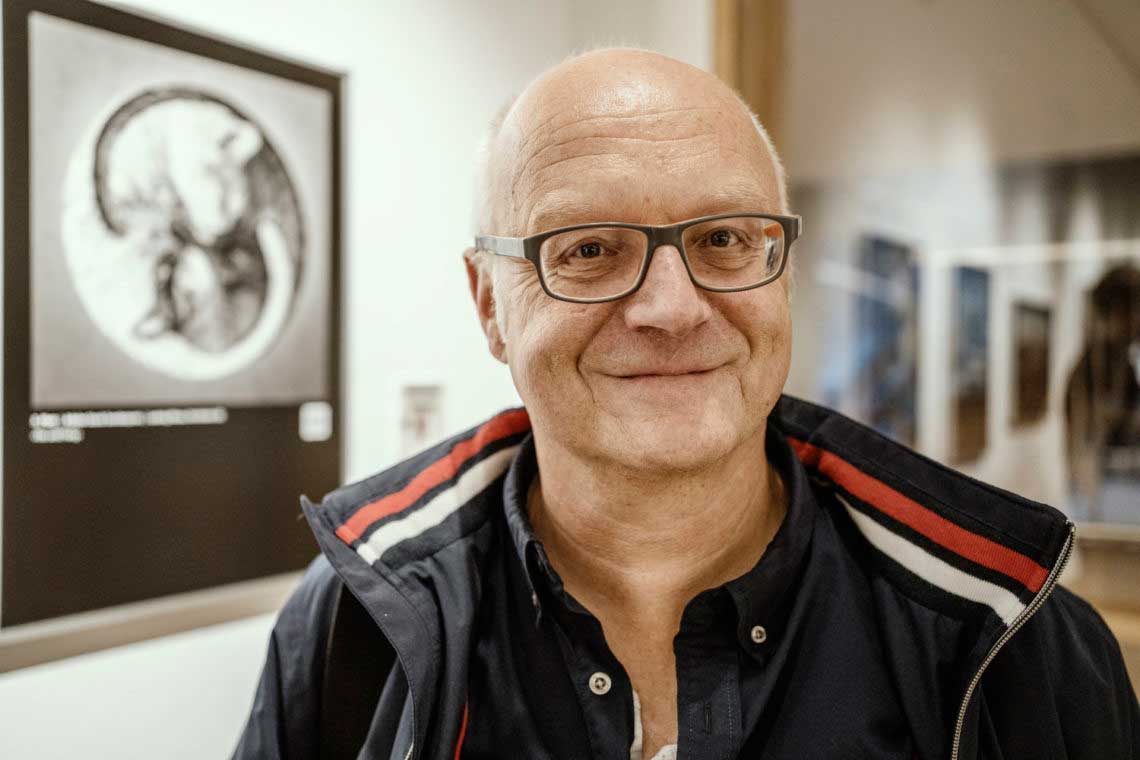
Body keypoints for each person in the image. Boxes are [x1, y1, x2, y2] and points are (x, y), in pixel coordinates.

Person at [233, 48, 1139, 760]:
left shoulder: (1003, 632)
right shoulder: (363, 619)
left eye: (724, 239)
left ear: (782, 277)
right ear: (488, 305)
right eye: (589, 249)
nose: (672, 309)